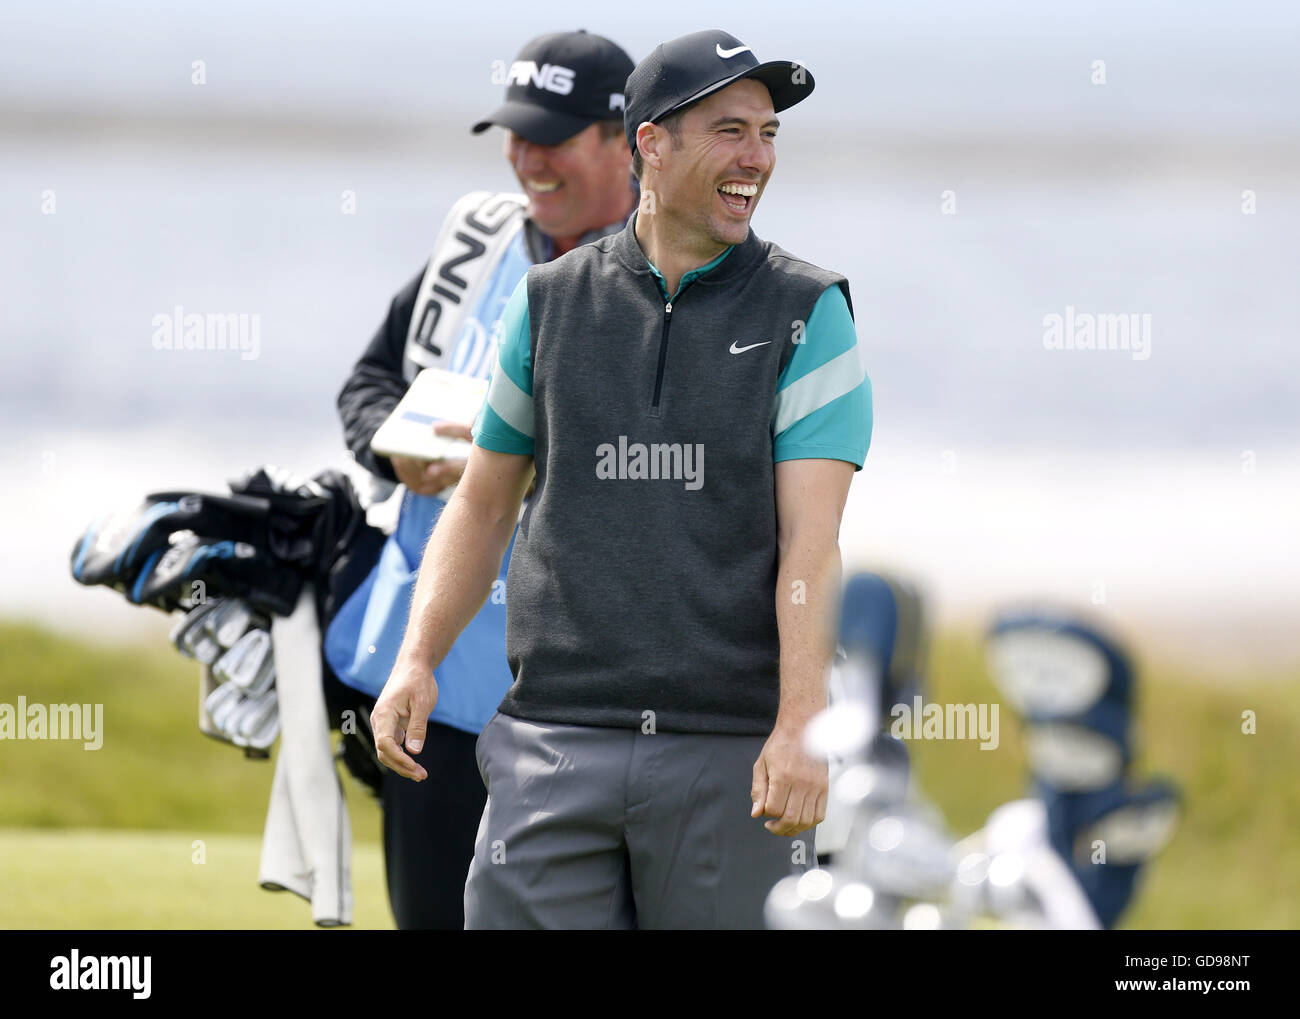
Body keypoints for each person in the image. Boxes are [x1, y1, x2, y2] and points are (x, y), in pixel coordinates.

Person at [371, 28, 872, 930]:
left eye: (767, 134)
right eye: (730, 130)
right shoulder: (549, 300)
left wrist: (801, 722)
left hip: (729, 752)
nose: (756, 157)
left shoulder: (812, 312)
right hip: (551, 738)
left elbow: (812, 543)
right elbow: (483, 504)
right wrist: (417, 659)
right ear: (652, 143)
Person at [330, 29, 638, 930]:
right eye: (515, 131)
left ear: (628, 140)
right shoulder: (477, 243)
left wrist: (527, 461)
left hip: (583, 706)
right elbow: (369, 383)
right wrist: (395, 451)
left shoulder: (674, 271)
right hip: (433, 683)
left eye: (555, 134)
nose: (526, 157)